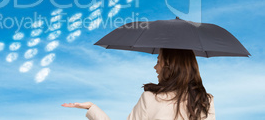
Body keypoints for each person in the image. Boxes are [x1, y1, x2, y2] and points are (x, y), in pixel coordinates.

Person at [62, 48, 215, 120]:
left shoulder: (150, 98)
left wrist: (92, 109)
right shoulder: (205, 100)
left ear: (169, 66)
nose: (156, 67)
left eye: (158, 61)